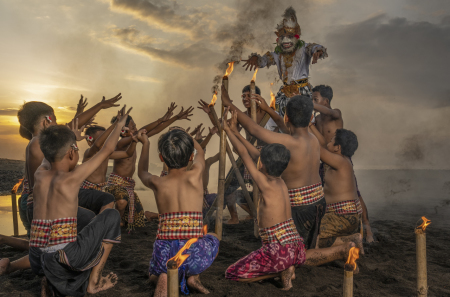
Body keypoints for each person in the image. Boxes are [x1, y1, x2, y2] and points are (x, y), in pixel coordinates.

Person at [221, 86, 360, 264]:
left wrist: (228, 105)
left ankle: (343, 250)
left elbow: (255, 130)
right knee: (308, 244)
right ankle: (349, 241)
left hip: (301, 209)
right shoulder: (312, 139)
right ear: (310, 118)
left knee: (296, 256)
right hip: (318, 204)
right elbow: (281, 124)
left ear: (288, 118)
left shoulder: (290, 142)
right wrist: (267, 109)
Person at [28, 107, 130, 296]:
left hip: (36, 258)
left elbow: (48, 154)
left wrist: (71, 138)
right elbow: (107, 150)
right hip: (64, 258)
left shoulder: (40, 174)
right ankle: (94, 282)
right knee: (111, 215)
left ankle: (48, 279)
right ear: (72, 153)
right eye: (75, 149)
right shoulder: (72, 178)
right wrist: (119, 124)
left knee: (82, 221)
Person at [222, 108, 304, 290]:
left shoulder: (265, 184)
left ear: (263, 164)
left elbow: (244, 153)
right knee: (276, 257)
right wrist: (235, 132)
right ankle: (288, 268)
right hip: (297, 249)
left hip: (278, 253)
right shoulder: (281, 182)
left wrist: (228, 131)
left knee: (232, 273)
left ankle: (279, 271)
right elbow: (250, 152)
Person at [137, 129, 219, 296]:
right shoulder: (195, 175)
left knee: (154, 273)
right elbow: (201, 152)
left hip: (165, 255)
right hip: (193, 255)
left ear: (161, 158)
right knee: (214, 238)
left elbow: (142, 172)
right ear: (190, 156)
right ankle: (193, 276)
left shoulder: (157, 182)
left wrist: (146, 143)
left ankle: (163, 276)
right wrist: (188, 137)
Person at [105, 103, 194, 230]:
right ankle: (115, 224)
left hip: (128, 186)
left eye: (135, 125)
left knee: (138, 222)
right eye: (133, 126)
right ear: (123, 130)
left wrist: (174, 118)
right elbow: (143, 131)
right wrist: (159, 120)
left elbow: (155, 130)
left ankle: (122, 221)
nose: (136, 128)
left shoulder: (134, 140)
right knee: (121, 201)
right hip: (116, 185)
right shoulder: (121, 143)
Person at [312, 85, 374, 243]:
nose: (313, 103)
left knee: (356, 193)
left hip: (340, 159)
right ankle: (333, 224)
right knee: (324, 193)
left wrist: (306, 103)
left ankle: (368, 231)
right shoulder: (316, 120)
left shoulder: (335, 114)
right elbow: (320, 142)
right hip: (325, 159)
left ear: (326, 101)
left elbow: (329, 112)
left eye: (315, 100)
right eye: (312, 99)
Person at [242, 7, 327, 118]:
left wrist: (318, 51)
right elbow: (264, 61)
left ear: (297, 37)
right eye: (282, 37)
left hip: (301, 92)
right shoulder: (277, 54)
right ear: (278, 39)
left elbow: (315, 47)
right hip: (284, 93)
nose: (285, 40)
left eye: (290, 36)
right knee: (284, 123)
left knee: (303, 122)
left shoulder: (304, 48)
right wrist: (255, 59)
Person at [309, 126, 364, 252]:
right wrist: (309, 125)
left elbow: (318, 147)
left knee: (311, 240)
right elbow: (322, 144)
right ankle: (351, 238)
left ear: (337, 148)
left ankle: (351, 240)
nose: (328, 142)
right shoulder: (342, 160)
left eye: (331, 141)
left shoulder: (339, 161)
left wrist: (302, 129)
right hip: (348, 216)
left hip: (341, 216)